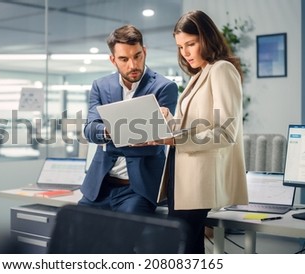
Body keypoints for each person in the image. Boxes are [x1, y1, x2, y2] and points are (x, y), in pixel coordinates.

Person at [152, 10, 249, 253]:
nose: (185, 52)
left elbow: (225, 132)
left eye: (190, 44)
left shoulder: (221, 70)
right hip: (182, 173)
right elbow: (197, 125)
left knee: (185, 248)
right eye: (180, 46)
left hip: (197, 179)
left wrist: (175, 136)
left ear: (206, 38)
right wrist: (168, 122)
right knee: (188, 247)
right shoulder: (200, 74)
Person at [79, 24, 179, 214]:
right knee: (75, 234)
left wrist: (110, 138)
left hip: (138, 190)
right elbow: (90, 130)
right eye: (124, 59)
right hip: (100, 186)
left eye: (137, 56)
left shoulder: (164, 88)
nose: (132, 65)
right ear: (112, 60)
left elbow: (153, 142)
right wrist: (110, 131)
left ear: (145, 52)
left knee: (123, 240)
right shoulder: (100, 86)